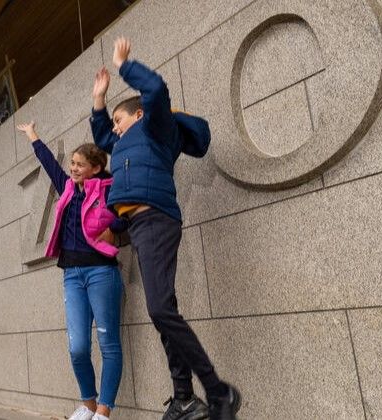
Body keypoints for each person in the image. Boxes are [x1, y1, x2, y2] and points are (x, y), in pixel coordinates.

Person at [90, 38, 240, 420]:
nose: (115, 131)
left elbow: (155, 89)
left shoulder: (155, 127)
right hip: (140, 225)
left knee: (160, 308)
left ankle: (218, 391)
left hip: (156, 219)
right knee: (164, 309)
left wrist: (125, 65)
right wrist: (99, 102)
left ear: (138, 116)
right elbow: (103, 138)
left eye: (119, 121)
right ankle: (184, 397)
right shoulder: (124, 143)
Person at [17, 122, 125, 420]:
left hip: (101, 272)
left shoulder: (109, 189)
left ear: (95, 168)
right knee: (78, 346)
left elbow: (125, 215)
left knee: (108, 343)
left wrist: (113, 230)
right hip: (72, 275)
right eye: (73, 164)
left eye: (80, 165)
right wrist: (33, 136)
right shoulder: (66, 187)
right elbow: (50, 164)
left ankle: (103, 411)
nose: (74, 168)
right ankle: (88, 403)